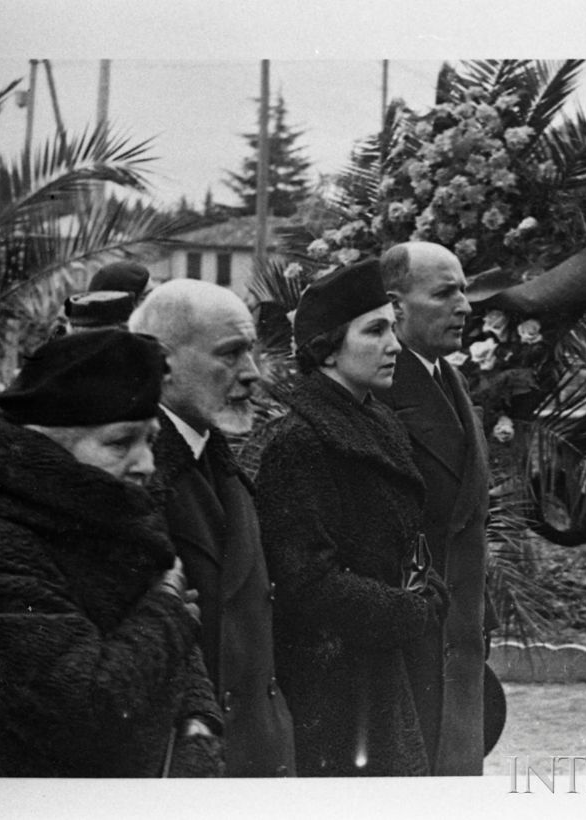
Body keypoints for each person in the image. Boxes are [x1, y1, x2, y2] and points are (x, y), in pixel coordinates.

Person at [0, 330, 222, 777]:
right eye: (120, 443)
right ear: (46, 444)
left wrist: (199, 723)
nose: (146, 464)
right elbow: (85, 710)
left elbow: (175, 651)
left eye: (150, 441)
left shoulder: (116, 519)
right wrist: (168, 611)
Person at [255, 259, 448, 776]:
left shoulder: (374, 419)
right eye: (375, 330)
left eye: (393, 328)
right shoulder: (302, 441)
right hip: (333, 681)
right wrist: (409, 611)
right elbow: (307, 583)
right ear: (327, 348)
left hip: (380, 662)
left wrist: (424, 590)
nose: (393, 345)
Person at [129, 280, 296, 777]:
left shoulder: (211, 453)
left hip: (254, 746)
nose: (253, 375)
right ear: (163, 363)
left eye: (252, 352)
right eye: (231, 354)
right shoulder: (137, 472)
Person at [377, 241, 496, 775]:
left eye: (465, 290)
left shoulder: (450, 379)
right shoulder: (378, 394)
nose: (465, 306)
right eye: (446, 292)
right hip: (413, 645)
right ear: (394, 306)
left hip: (459, 633)